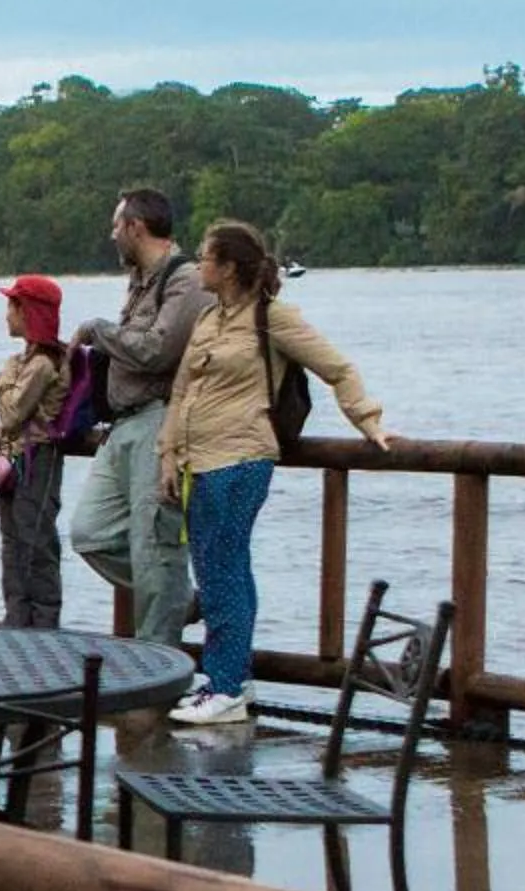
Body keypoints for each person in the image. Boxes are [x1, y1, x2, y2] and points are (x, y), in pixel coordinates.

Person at [157, 222, 393, 726]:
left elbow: (338, 368)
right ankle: (230, 681)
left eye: (205, 257)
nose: (198, 265)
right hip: (198, 462)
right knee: (219, 571)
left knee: (224, 572)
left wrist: (366, 419)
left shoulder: (273, 318)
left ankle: (224, 688)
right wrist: (167, 453)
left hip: (241, 460)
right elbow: (181, 393)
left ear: (229, 268)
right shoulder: (208, 319)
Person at [67, 187, 210, 646]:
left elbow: (156, 351)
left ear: (136, 227)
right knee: (91, 533)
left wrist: (97, 330)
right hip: (123, 425)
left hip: (160, 421)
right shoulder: (139, 281)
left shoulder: (186, 280)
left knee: (155, 548)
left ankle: (157, 675)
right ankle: (181, 599)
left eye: (116, 225)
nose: (111, 236)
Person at [0, 275, 69, 628]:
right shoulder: (32, 360)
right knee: (14, 543)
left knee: (34, 543)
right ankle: (18, 621)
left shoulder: (40, 364)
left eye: (12, 306)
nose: (7, 315)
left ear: (28, 312)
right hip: (21, 459)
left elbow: (11, 413)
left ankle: (41, 625)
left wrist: (5, 375)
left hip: (37, 460)